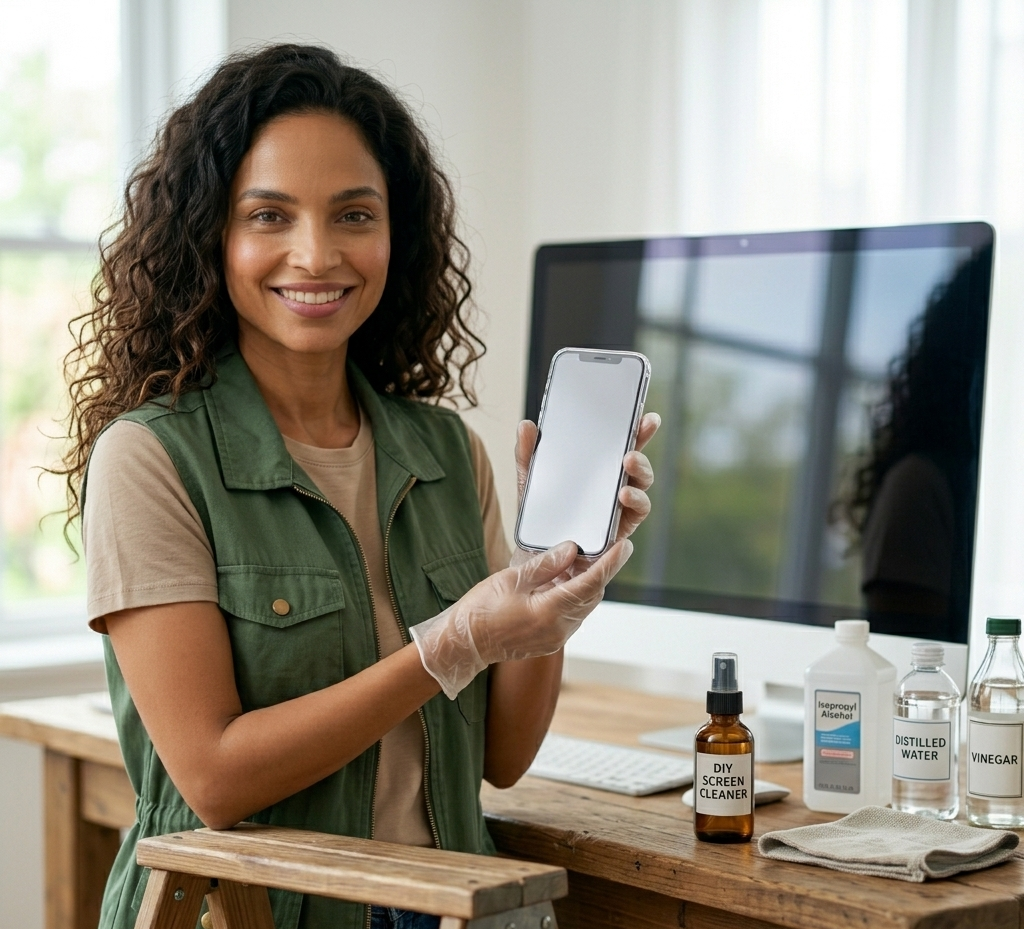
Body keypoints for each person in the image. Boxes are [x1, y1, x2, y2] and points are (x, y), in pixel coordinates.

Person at [63, 44, 658, 929]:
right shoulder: (150, 460)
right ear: (211, 234)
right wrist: (449, 643)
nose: (315, 254)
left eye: (353, 214)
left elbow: (501, 757)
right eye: (269, 214)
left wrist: (552, 585)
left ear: (395, 234)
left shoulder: (450, 451)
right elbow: (215, 777)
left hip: (448, 907)